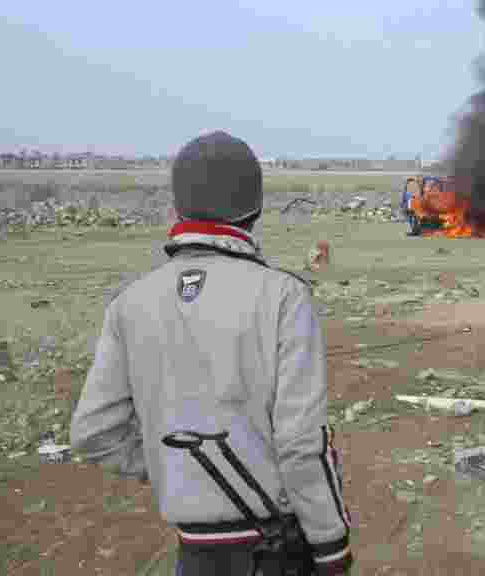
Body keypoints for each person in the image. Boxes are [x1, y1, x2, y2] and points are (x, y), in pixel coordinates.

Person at [70, 131, 354, 575]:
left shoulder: (129, 303)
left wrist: (176, 470)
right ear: (255, 210)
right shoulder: (283, 296)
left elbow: (93, 432)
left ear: (177, 207)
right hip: (275, 553)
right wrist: (332, 547)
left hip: (194, 555)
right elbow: (302, 443)